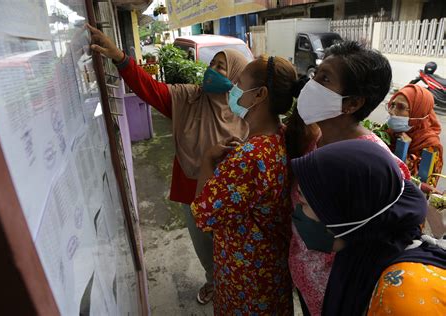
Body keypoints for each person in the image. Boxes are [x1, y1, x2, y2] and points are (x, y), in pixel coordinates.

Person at [88, 24, 250, 304]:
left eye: (221, 66)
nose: (212, 70)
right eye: (212, 63)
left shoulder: (246, 111)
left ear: (235, 76)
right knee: (204, 247)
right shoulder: (187, 97)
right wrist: (120, 58)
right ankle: (213, 281)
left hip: (233, 198)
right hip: (193, 192)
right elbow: (149, 89)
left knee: (233, 249)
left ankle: (234, 286)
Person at [291, 41, 412, 316]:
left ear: (353, 103)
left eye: (324, 79)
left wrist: (340, 243)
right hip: (307, 281)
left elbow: (394, 232)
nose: (311, 85)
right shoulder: (318, 139)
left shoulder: (374, 164)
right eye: (315, 75)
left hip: (340, 295)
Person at [191, 56, 314, 315]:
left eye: (239, 83)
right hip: (271, 274)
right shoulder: (281, 137)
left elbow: (203, 215)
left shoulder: (249, 157)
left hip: (245, 280)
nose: (233, 89)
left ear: (259, 94)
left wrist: (207, 161)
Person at [291, 139, 446, 315]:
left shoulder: (401, 298)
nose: (298, 212)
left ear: (343, 213)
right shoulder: (360, 254)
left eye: (303, 202)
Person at [387, 84, 443, 187]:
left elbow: (426, 188)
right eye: (392, 105)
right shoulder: (389, 132)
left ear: (418, 111)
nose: (391, 111)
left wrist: (405, 153)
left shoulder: (431, 145)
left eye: (401, 107)